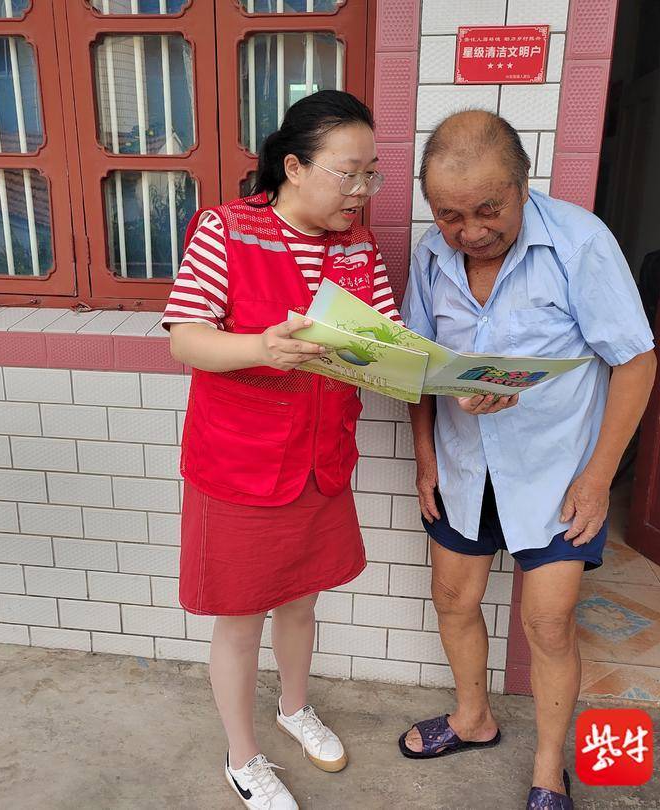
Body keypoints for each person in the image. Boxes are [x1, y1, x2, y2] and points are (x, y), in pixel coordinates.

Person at [396, 110, 657, 810]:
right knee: (454, 599)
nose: (471, 232)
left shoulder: (580, 244)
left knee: (547, 623)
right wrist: (424, 455)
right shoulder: (430, 254)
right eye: (450, 215)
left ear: (522, 184)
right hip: (463, 464)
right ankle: (472, 718)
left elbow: (635, 363)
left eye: (489, 210)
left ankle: (549, 767)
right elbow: (415, 364)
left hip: (557, 472)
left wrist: (599, 480)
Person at [162, 90, 399, 810]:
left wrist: (441, 377)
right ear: (293, 166)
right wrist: (258, 346)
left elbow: (386, 338)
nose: (360, 193)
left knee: (300, 601)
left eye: (371, 175)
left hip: (321, 461)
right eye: (347, 174)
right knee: (241, 617)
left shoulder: (356, 246)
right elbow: (185, 337)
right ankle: (244, 757)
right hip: (240, 465)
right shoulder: (226, 231)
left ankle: (294, 708)